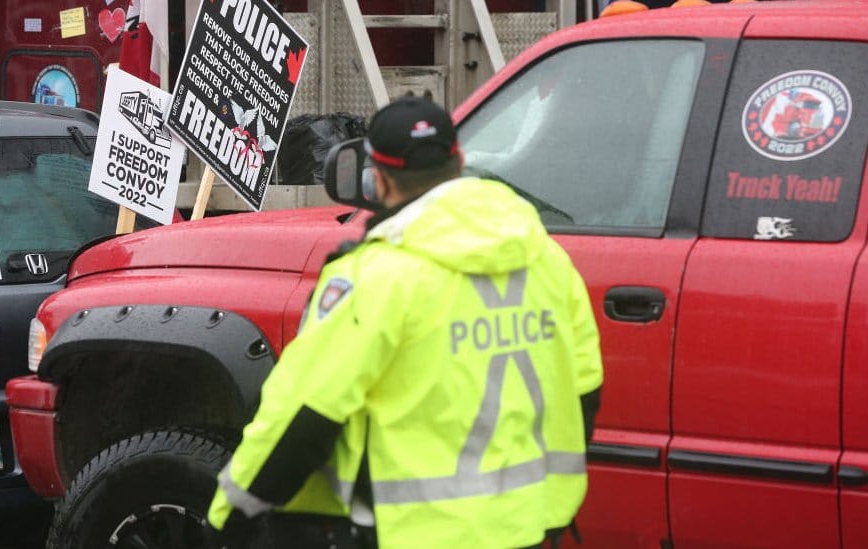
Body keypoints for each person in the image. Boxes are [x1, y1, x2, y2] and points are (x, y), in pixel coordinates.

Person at [206, 96, 603, 549]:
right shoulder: (546, 258)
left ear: (376, 178)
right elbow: (585, 389)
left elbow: (304, 417)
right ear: (458, 160)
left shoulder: (376, 277)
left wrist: (229, 518)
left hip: (419, 534)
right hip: (528, 526)